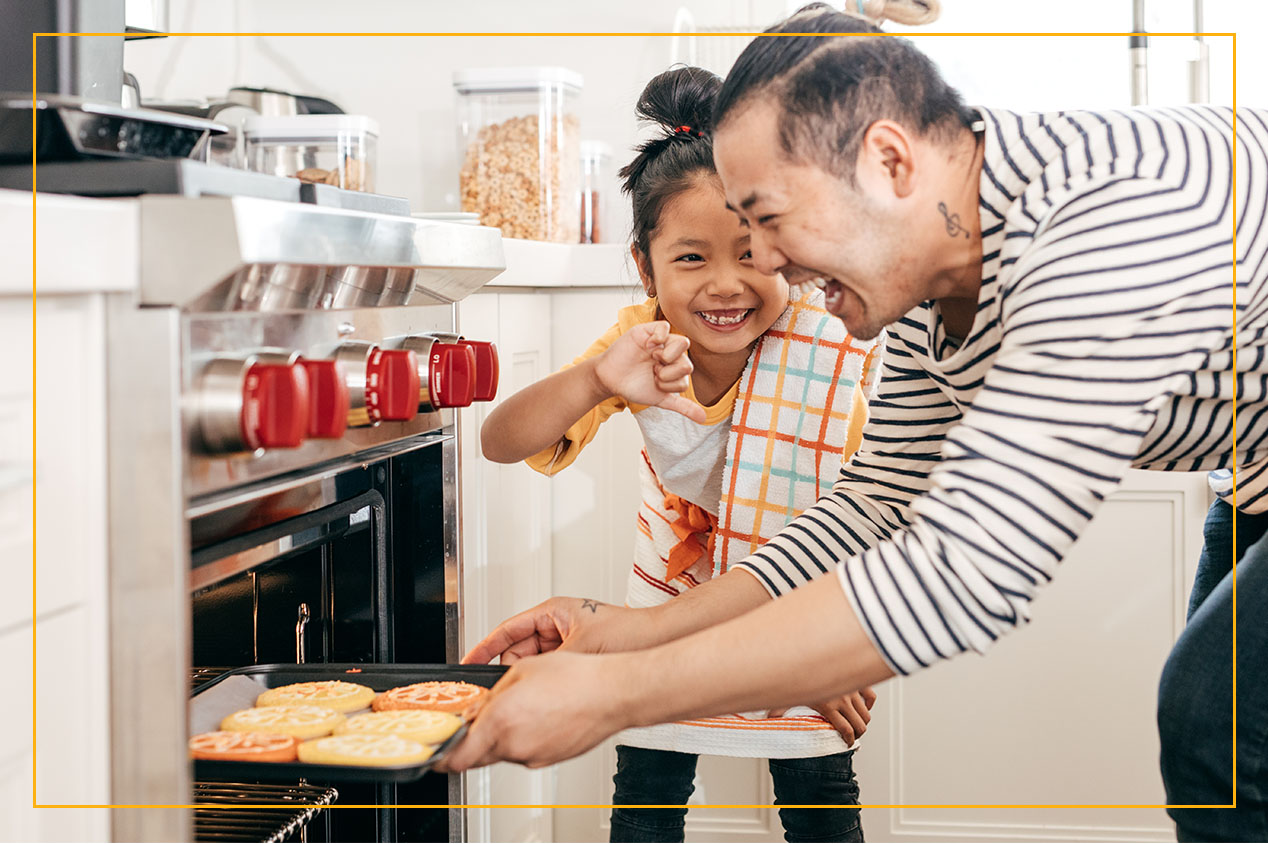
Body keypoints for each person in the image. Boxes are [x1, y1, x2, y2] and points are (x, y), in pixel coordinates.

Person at [448, 6, 1268, 841]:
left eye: (769, 219)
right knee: (1220, 747)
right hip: (1255, 477)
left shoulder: (1101, 230)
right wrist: (628, 630)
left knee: (1215, 727)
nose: (764, 263)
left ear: (887, 163)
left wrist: (617, 692)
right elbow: (872, 505)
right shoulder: (927, 287)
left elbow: (966, 576)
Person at [479, 64, 883, 843]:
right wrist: (597, 376)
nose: (726, 285)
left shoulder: (829, 347)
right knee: (648, 795)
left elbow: (867, 508)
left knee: (821, 795)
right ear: (646, 268)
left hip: (807, 612)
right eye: (691, 258)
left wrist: (834, 648)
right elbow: (502, 442)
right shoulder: (640, 344)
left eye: (751, 254)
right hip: (664, 607)